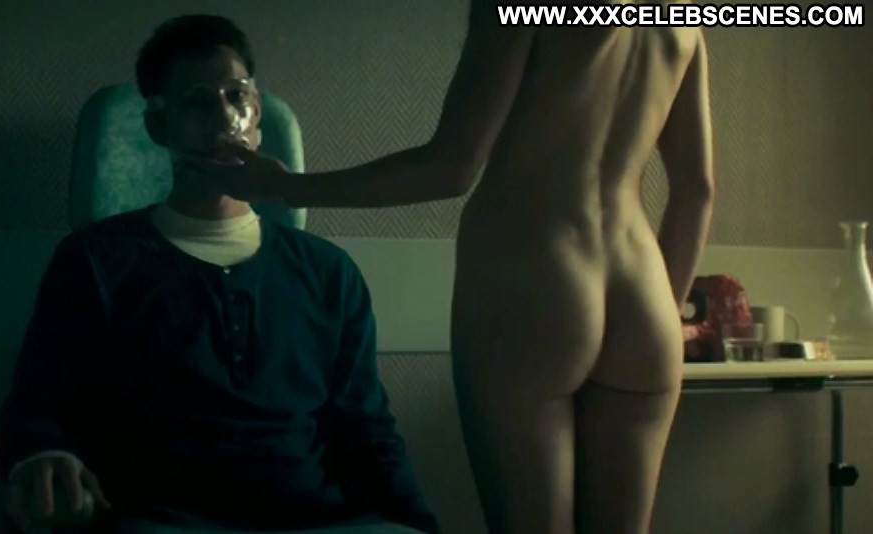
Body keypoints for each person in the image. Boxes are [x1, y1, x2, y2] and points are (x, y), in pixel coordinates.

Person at [181, 2, 716, 533]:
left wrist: (287, 186)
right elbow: (696, 191)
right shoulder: (684, 22)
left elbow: (451, 167)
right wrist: (664, 321)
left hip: (538, 277)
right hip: (644, 294)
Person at [0, 14, 438, 534]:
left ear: (257, 113)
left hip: (313, 520)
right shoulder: (96, 262)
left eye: (237, 96)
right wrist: (45, 456)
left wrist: (417, 524)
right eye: (198, 102)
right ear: (158, 125)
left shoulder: (328, 273)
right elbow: (38, 405)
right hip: (158, 521)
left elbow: (369, 432)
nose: (225, 117)